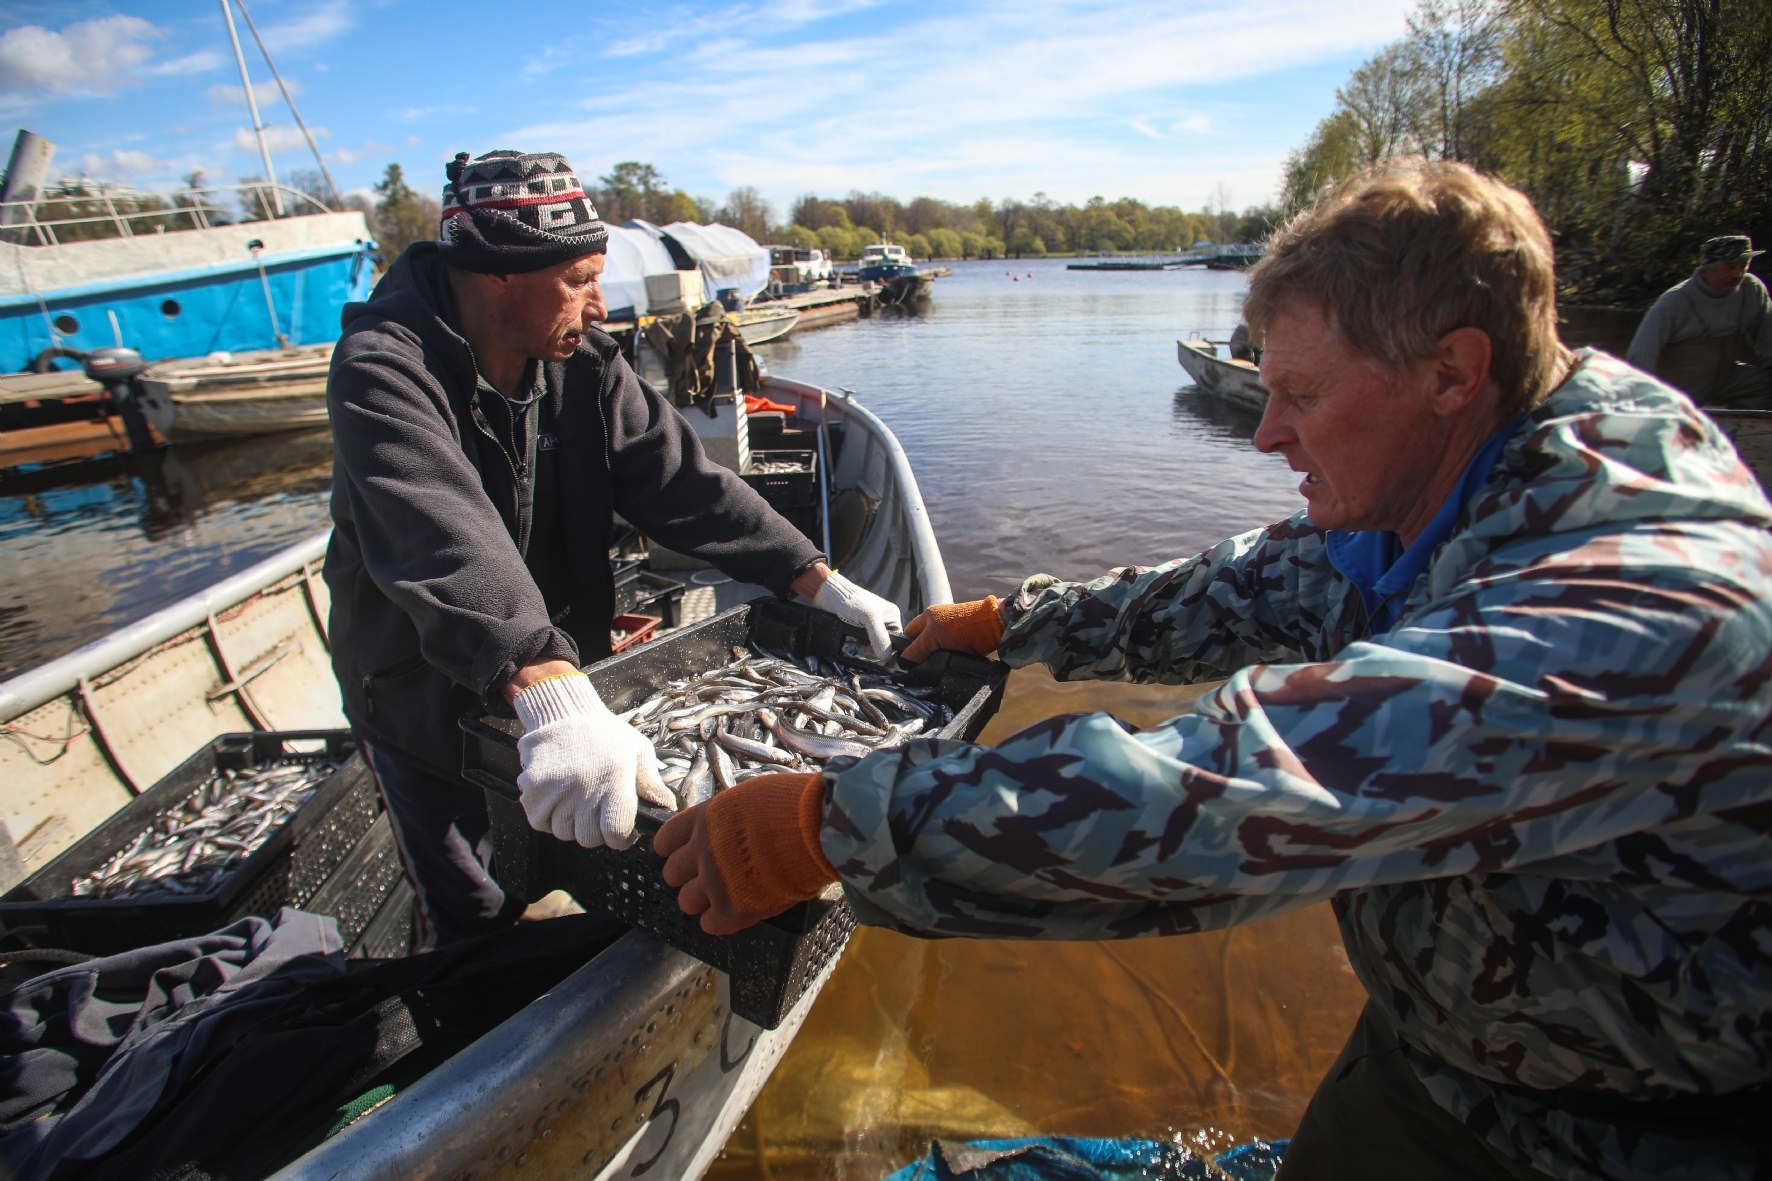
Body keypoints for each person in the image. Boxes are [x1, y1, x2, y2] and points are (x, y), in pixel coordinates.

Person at [655, 162, 1772, 1180]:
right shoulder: (1469, 468)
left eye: (1301, 395)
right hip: (1436, 1060)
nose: (1264, 434)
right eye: (1263, 386)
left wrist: (831, 824)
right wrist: (1010, 621)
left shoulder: (1630, 603)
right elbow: (1255, 583)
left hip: (1632, 1138)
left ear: (1450, 370)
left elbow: (1234, 798)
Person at [323, 149, 900, 950]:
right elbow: (441, 532)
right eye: (579, 279)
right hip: (419, 694)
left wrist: (815, 577)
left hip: (554, 671)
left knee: (582, 854)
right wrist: (551, 688)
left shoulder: (582, 364)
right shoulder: (382, 369)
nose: (599, 305)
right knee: (473, 908)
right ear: (495, 272)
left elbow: (684, 486)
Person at [1625, 234, 1771, 408]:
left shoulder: (1751, 289)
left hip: (1729, 380)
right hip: (1681, 390)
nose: (1738, 274)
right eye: (1730, 267)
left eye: (1743, 266)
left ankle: (1747, 426)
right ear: (1705, 270)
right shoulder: (1674, 302)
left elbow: (1768, 338)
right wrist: (1646, 401)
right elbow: (1640, 357)